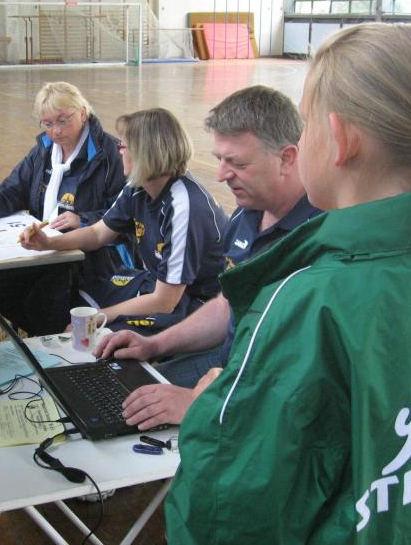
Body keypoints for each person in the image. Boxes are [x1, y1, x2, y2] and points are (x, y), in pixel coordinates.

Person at [164, 23, 411, 544]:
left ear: (341, 138)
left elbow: (227, 514)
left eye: (306, 122)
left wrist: (208, 411)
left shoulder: (309, 301)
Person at [95, 86, 320, 430]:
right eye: (220, 160)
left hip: (263, 395)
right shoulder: (247, 213)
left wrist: (204, 404)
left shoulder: (320, 235)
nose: (221, 175)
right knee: (123, 394)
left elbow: (303, 375)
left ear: (287, 158)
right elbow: (226, 305)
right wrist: (153, 345)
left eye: (238, 163)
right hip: (230, 363)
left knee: (136, 414)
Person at [21, 107, 228, 335]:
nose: (119, 150)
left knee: (107, 335)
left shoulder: (184, 206)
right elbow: (97, 233)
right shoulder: (138, 187)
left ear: (145, 152)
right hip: (158, 286)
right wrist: (48, 243)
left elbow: (165, 302)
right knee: (62, 299)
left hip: (197, 304)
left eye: (124, 145)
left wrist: (99, 317)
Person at [0, 81, 128, 336]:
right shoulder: (43, 151)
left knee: (43, 305)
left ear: (82, 113)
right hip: (45, 248)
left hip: (90, 255)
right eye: (48, 124)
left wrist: (82, 219)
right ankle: (45, 340)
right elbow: (14, 190)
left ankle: (52, 343)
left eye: (63, 121)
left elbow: (125, 212)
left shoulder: (110, 155)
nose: (56, 131)